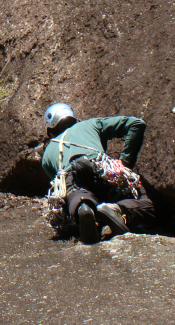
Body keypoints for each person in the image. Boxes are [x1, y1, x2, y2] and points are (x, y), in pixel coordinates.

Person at [41, 103, 157, 244]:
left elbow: (60, 195)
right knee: (147, 202)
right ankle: (117, 210)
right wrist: (124, 162)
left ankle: (82, 207)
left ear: (51, 132)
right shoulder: (91, 124)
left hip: (71, 178)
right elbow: (137, 124)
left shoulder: (46, 155)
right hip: (102, 170)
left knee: (73, 194)